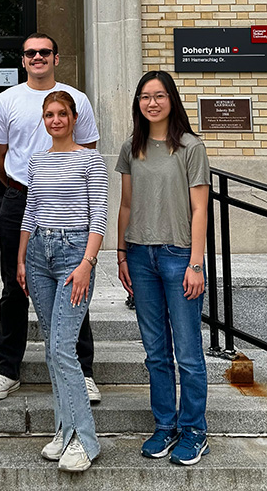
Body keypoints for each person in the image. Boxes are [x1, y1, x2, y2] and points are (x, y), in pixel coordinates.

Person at [0, 33, 102, 404]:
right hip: (19, 199)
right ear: (23, 60)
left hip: (68, 207)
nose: (37, 57)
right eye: (30, 53)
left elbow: (88, 149)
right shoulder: (7, 100)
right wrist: (22, 184)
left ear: (56, 57)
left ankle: (83, 371)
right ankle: (8, 369)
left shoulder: (76, 98)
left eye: (44, 52)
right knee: (13, 286)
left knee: (73, 287)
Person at [116, 70, 210, 465]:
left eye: (158, 95)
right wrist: (121, 254)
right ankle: (165, 425)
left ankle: (194, 430)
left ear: (171, 99)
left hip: (178, 256)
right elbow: (124, 206)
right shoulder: (131, 147)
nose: (151, 103)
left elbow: (201, 208)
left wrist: (196, 264)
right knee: (155, 352)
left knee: (187, 352)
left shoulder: (190, 146)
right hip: (140, 256)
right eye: (144, 96)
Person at [17, 91, 107, 472]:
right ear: (44, 119)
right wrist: (21, 258)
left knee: (63, 349)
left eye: (62, 114)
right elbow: (30, 211)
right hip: (38, 254)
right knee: (51, 349)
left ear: (74, 118)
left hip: (74, 255)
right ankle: (63, 429)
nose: (56, 120)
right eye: (50, 114)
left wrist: (87, 262)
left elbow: (99, 213)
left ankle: (85, 440)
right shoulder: (36, 161)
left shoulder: (91, 159)